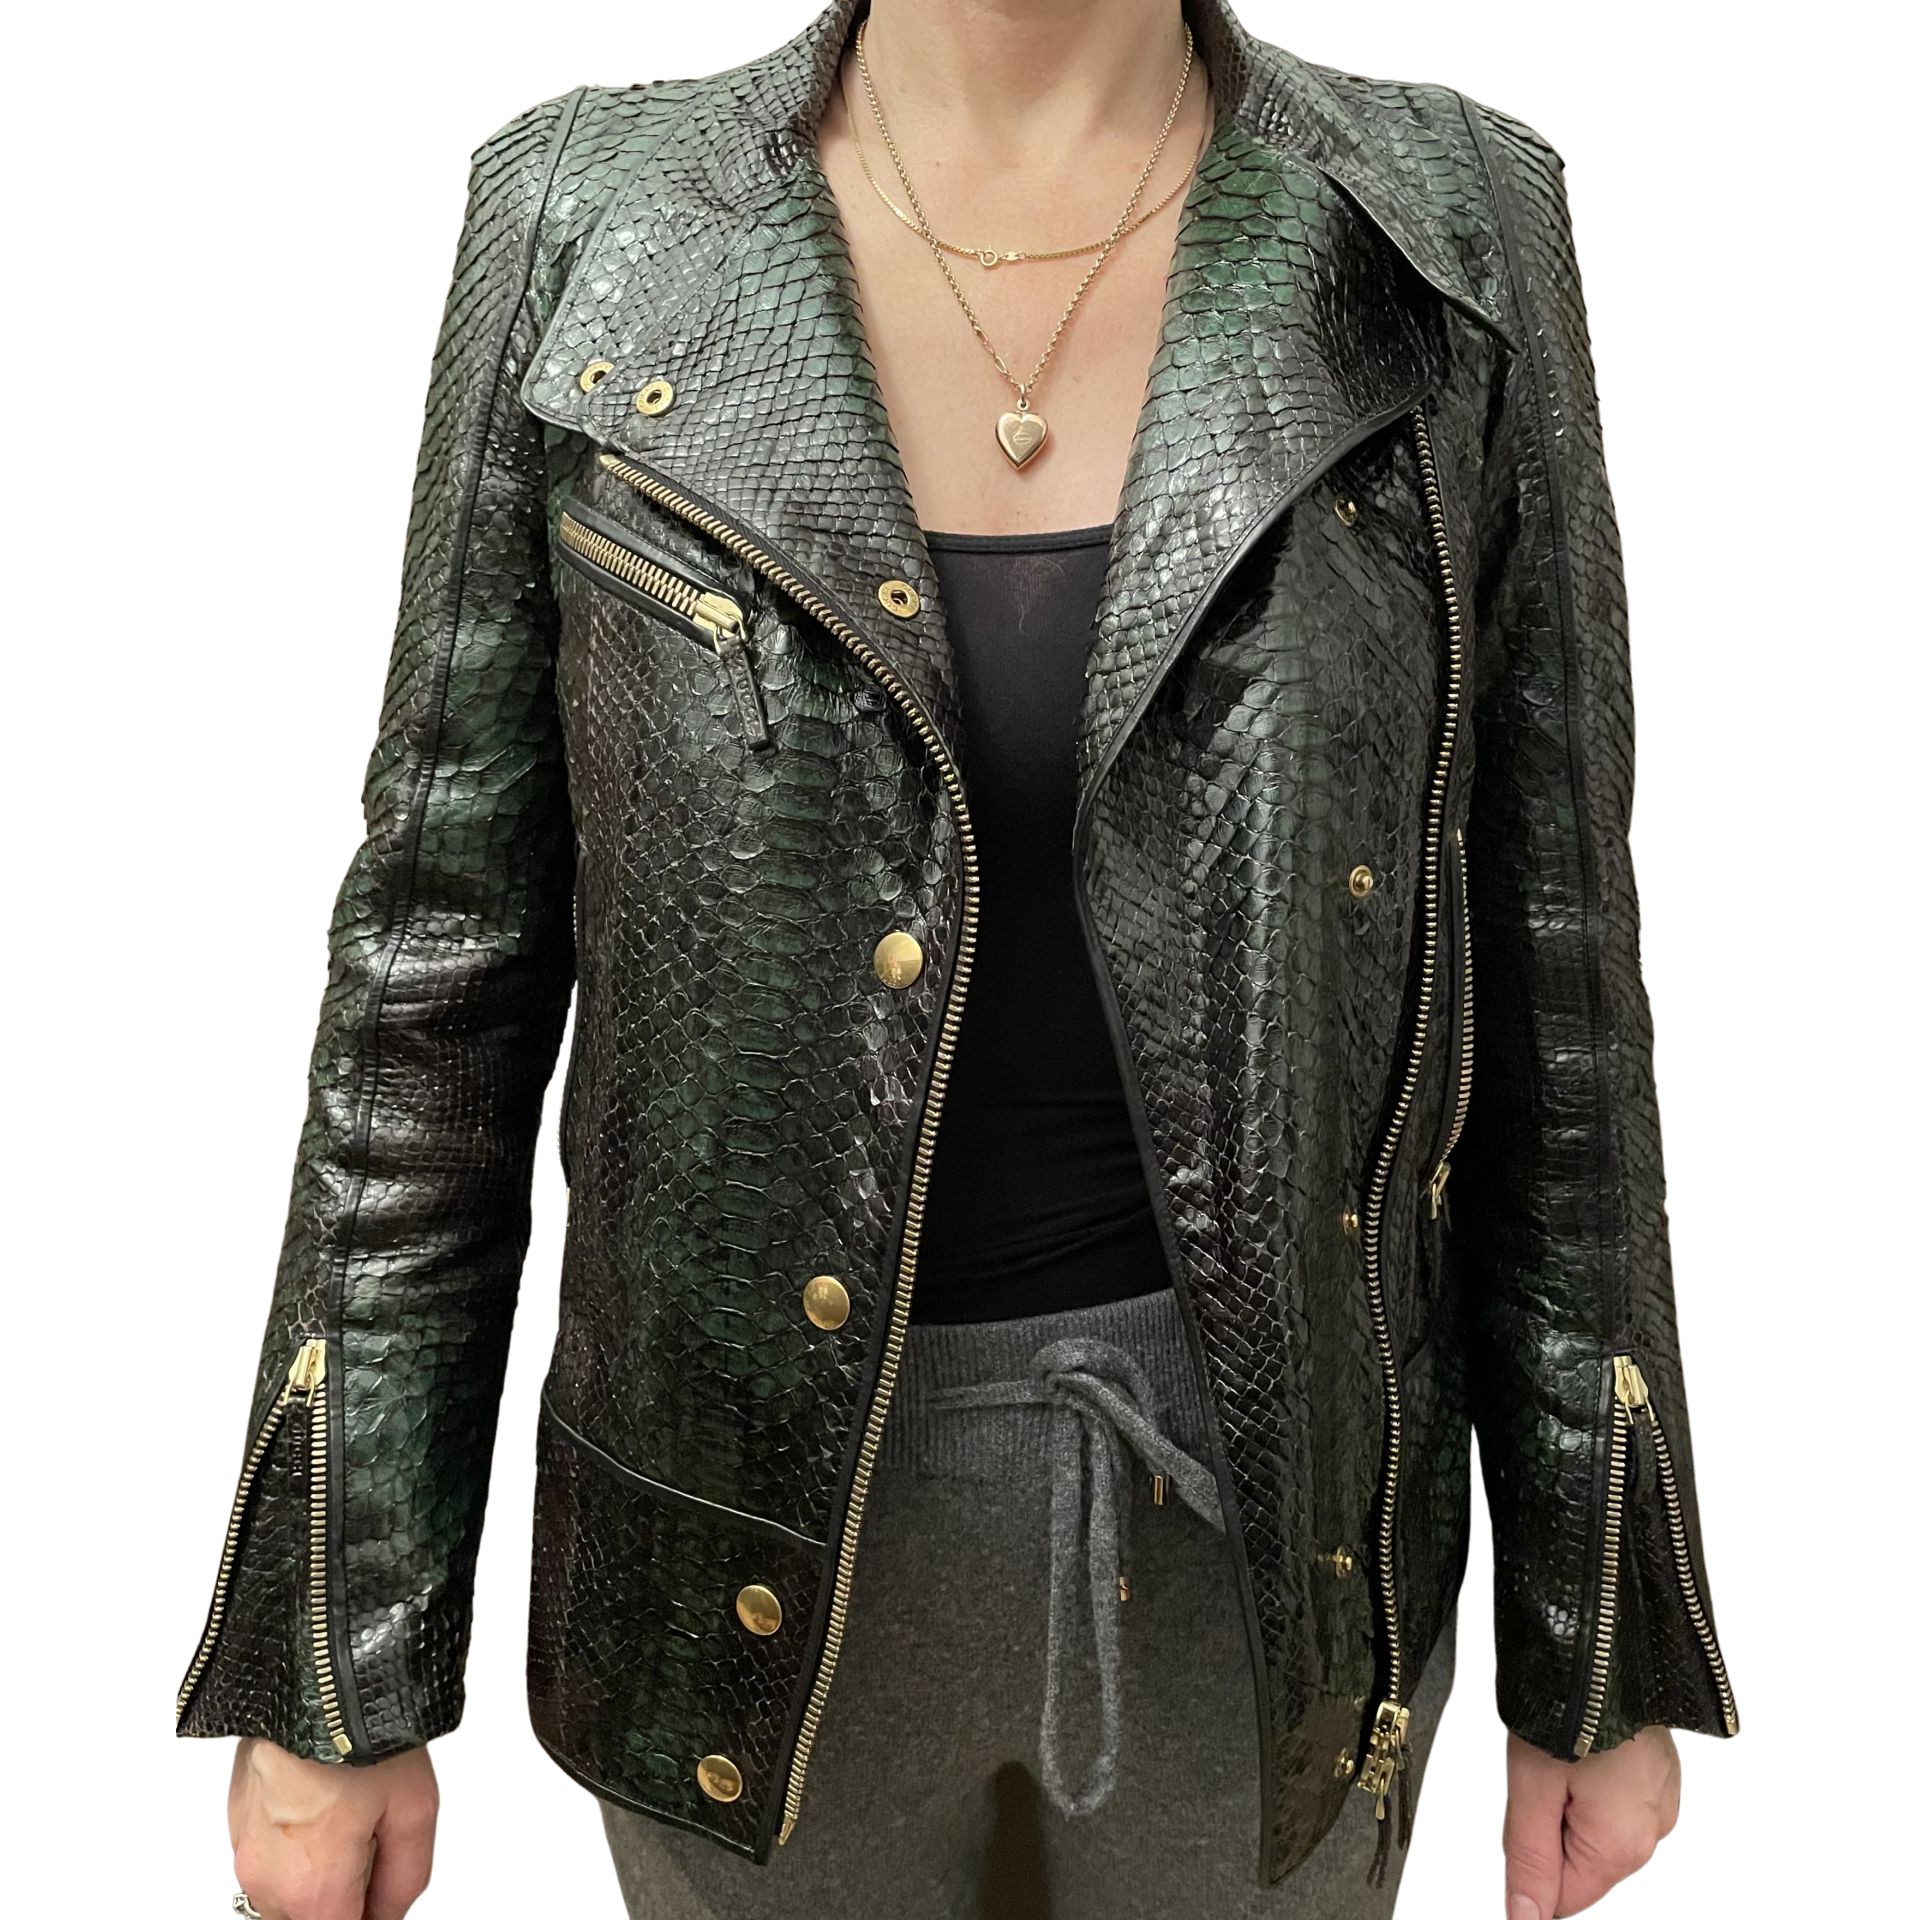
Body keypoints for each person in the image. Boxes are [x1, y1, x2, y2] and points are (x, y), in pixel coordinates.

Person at [175, 2, 1741, 1916]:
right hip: (718, 1546)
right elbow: (437, 978)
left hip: (1271, 1585)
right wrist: (333, 1662)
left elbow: (1556, 971)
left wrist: (1597, 1643)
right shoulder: (592, 215)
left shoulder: (1446, 219)